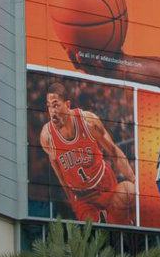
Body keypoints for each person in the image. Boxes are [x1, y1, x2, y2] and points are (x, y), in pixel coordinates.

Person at [39, 82, 135, 224]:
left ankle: (125, 223)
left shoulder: (88, 121)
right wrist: (72, 200)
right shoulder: (47, 137)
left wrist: (133, 179)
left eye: (56, 105)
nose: (52, 111)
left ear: (67, 104)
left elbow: (113, 151)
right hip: (82, 196)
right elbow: (58, 170)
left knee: (130, 191)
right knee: (95, 231)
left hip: (104, 183)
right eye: (49, 106)